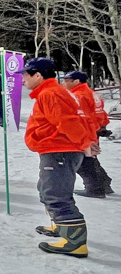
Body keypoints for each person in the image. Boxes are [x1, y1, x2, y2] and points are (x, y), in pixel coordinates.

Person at [21, 58, 94, 258]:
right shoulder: (54, 92)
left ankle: (75, 241)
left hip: (59, 151)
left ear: (38, 75)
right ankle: (62, 226)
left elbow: (68, 122)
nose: (23, 79)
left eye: (26, 75)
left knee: (56, 194)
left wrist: (85, 143)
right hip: (57, 150)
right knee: (47, 190)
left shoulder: (50, 93)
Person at [61, 71, 114, 198]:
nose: (63, 83)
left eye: (66, 80)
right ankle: (103, 183)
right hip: (95, 129)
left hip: (86, 131)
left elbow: (82, 117)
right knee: (89, 158)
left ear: (76, 81)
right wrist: (102, 126)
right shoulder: (90, 93)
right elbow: (100, 113)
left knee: (82, 160)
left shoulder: (79, 96)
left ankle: (95, 188)